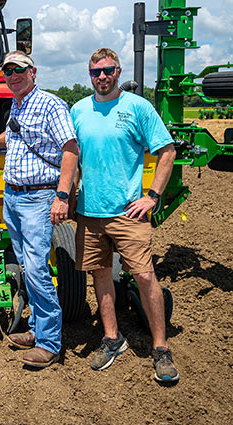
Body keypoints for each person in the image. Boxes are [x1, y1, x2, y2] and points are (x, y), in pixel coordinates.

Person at [70, 47, 179, 384]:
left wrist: (152, 196)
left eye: (107, 70)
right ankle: (112, 337)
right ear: (89, 75)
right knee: (101, 276)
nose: (102, 77)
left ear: (118, 71)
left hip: (128, 212)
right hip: (89, 213)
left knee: (145, 276)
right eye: (95, 72)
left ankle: (161, 348)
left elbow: (167, 150)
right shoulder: (78, 110)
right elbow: (70, 155)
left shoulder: (137, 107)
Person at [0, 51, 78, 368]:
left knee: (38, 269)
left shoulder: (50, 104)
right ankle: (37, 329)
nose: (12, 74)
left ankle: (49, 343)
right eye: (7, 70)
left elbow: (70, 148)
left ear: (33, 72)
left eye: (19, 69)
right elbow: (14, 136)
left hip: (38, 197)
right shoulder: (18, 103)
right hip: (13, 197)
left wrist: (62, 195)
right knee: (28, 267)